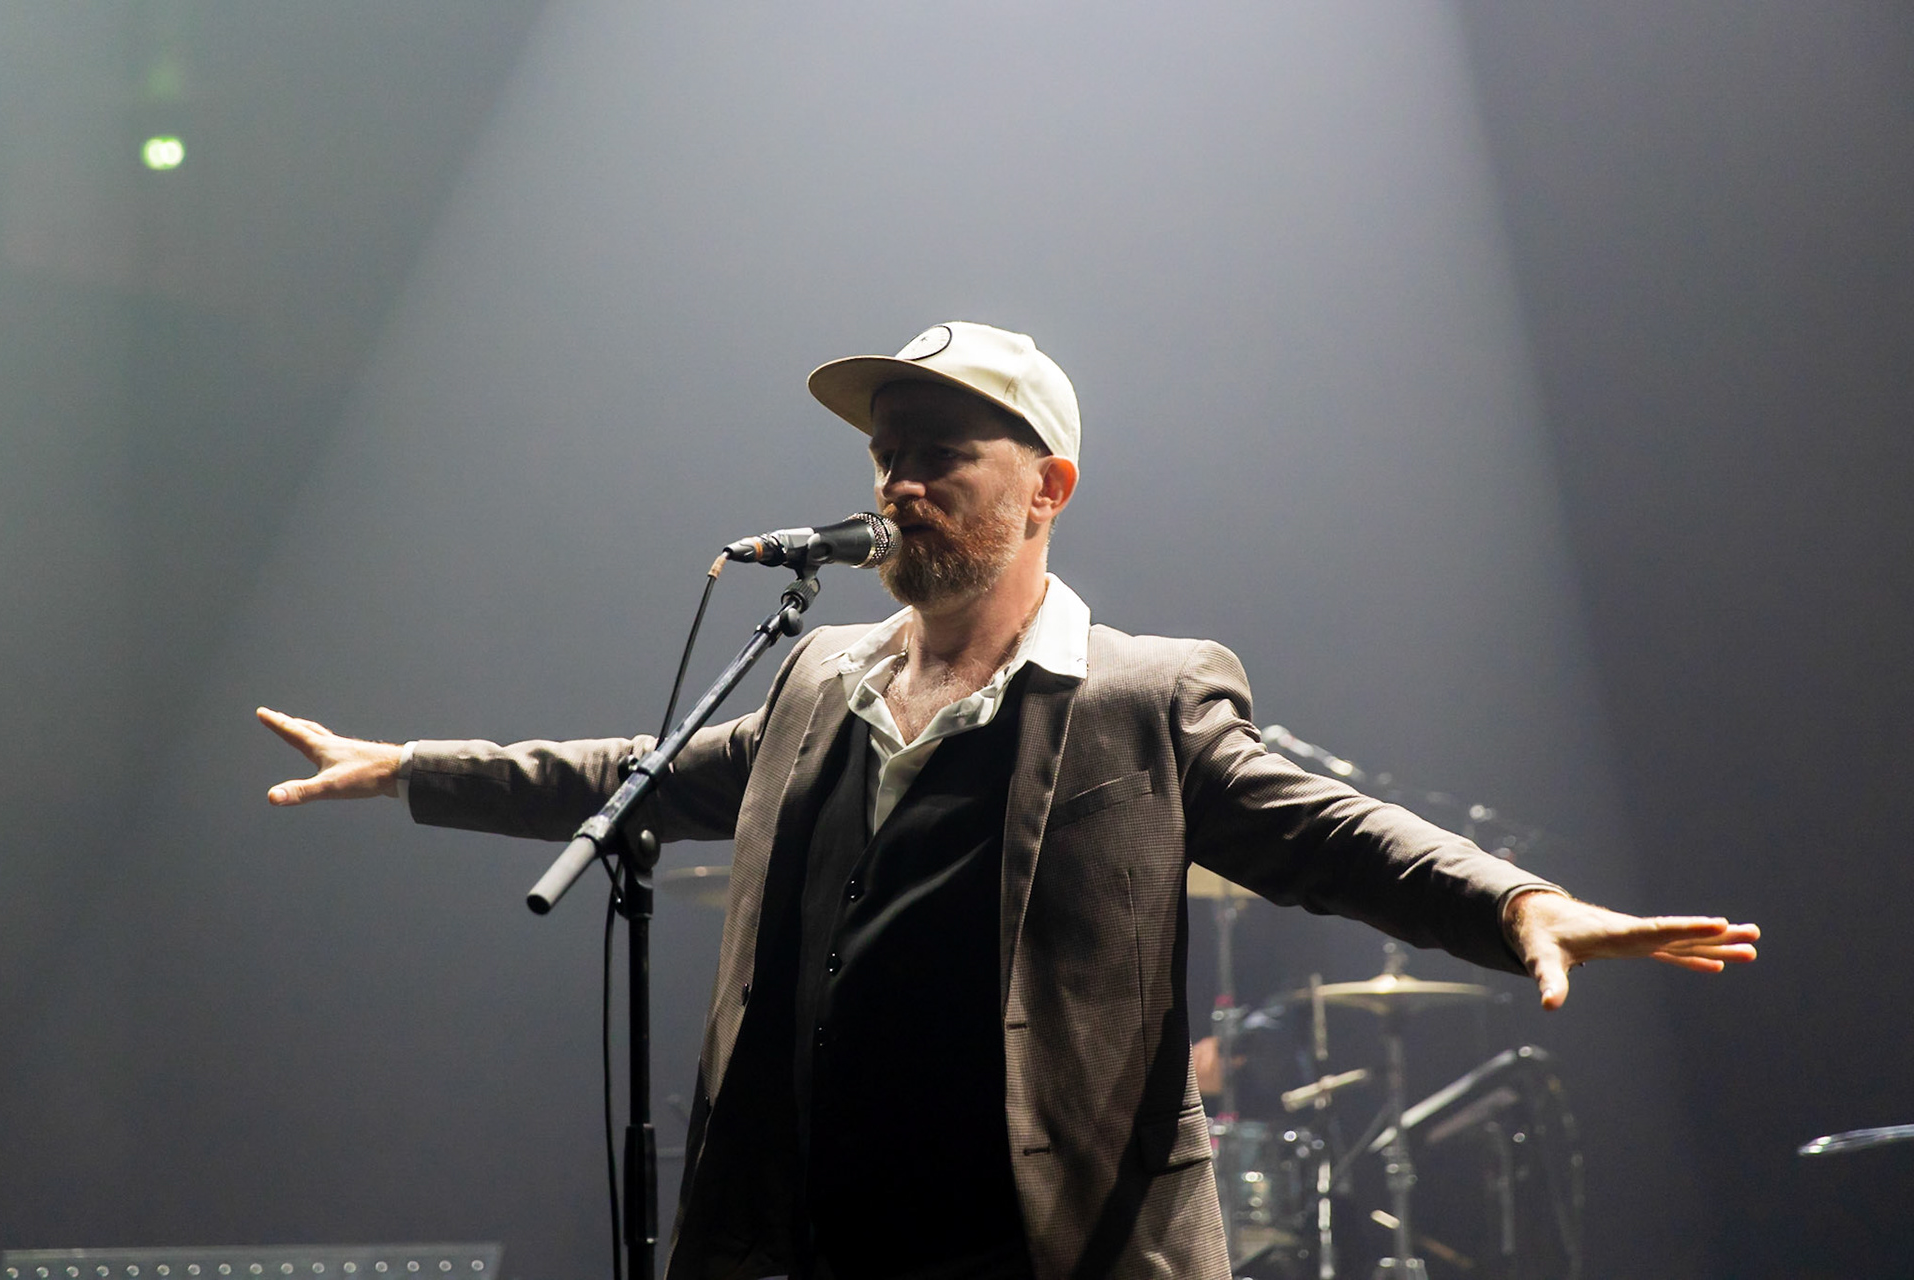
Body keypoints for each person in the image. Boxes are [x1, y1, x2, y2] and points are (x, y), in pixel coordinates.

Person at [259, 321, 1757, 1280]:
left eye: (939, 458)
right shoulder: (815, 676)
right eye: (885, 458)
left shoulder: (1144, 692)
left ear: (1049, 486)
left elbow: (1322, 832)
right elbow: (628, 782)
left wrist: (1517, 902)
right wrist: (407, 769)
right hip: (812, 1237)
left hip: (1044, 1243)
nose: (899, 487)